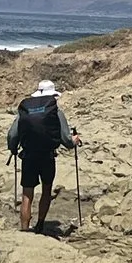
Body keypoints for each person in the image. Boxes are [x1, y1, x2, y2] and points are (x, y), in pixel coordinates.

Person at [6, 78, 80, 232]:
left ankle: (25, 230)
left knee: (27, 194)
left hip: (28, 156)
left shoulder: (25, 110)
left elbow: (12, 134)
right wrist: (74, 141)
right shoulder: (56, 111)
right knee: (46, 190)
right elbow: (66, 140)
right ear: (53, 94)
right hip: (47, 156)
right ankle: (40, 225)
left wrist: (13, 149)